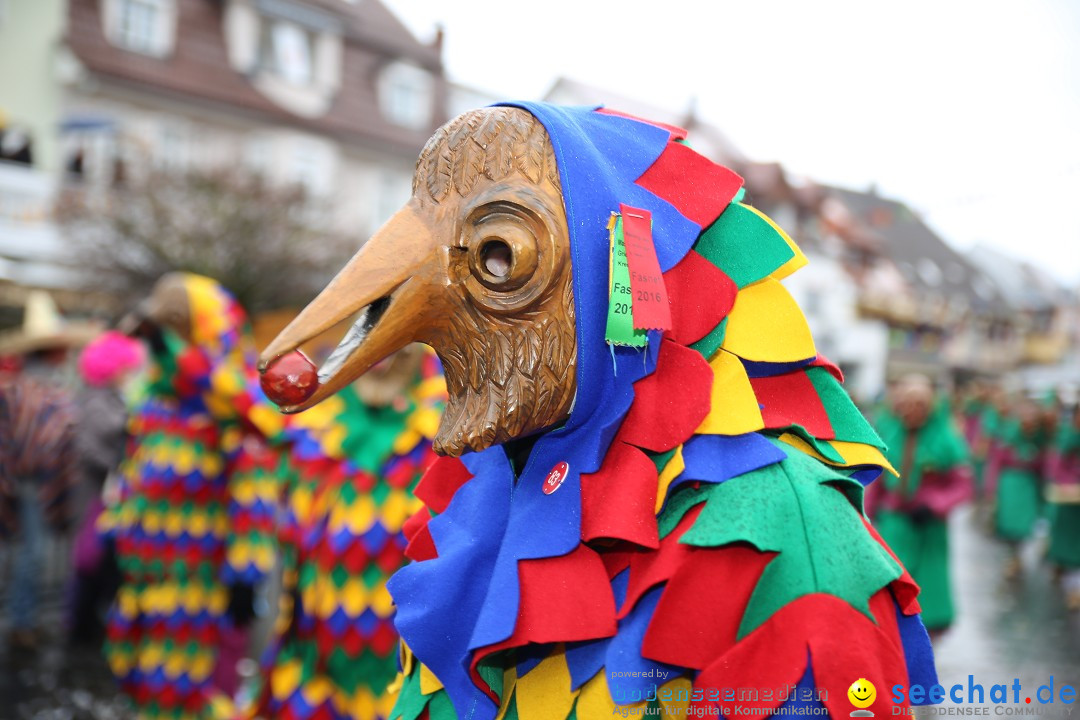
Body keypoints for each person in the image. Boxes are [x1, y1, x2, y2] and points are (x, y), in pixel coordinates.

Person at [102, 273, 284, 719]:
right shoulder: (153, 403)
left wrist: (247, 572)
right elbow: (132, 473)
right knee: (141, 682)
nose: (163, 349)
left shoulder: (234, 414)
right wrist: (113, 531)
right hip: (142, 581)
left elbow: (254, 494)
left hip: (198, 591)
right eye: (159, 338)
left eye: (171, 336)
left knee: (188, 695)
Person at [252, 345, 444, 720]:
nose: (382, 360)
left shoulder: (452, 431)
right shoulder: (310, 427)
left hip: (406, 668)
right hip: (316, 664)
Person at [867, 374, 973, 634]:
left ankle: (925, 631)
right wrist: (868, 513)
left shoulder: (946, 437)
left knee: (928, 584)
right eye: (908, 403)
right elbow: (879, 476)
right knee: (890, 579)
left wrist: (935, 504)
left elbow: (964, 485)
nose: (912, 410)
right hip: (894, 521)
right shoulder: (890, 431)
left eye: (920, 404)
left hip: (928, 526)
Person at [69, 330, 145, 644]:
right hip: (94, 491)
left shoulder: (114, 397)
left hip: (109, 490)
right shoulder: (96, 399)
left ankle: (91, 621)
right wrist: (117, 463)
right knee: (90, 556)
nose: (128, 373)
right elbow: (87, 447)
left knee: (101, 557)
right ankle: (80, 624)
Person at [0, 348, 78, 650]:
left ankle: (24, 620)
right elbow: (48, 437)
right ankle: (22, 621)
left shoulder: (27, 390)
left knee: (28, 554)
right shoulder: (23, 391)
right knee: (32, 553)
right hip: (28, 482)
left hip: (29, 482)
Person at [991, 397, 1048, 578]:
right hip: (1010, 483)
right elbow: (996, 462)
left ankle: (1018, 555)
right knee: (1009, 523)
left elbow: (1045, 462)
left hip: (1029, 483)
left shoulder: (1040, 437)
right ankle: (1012, 557)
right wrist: (992, 489)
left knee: (1025, 523)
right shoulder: (1008, 433)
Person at [1046, 403, 1080, 609]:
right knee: (1069, 546)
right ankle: (1073, 588)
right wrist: (1068, 485)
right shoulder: (1066, 438)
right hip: (1069, 502)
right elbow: (1057, 466)